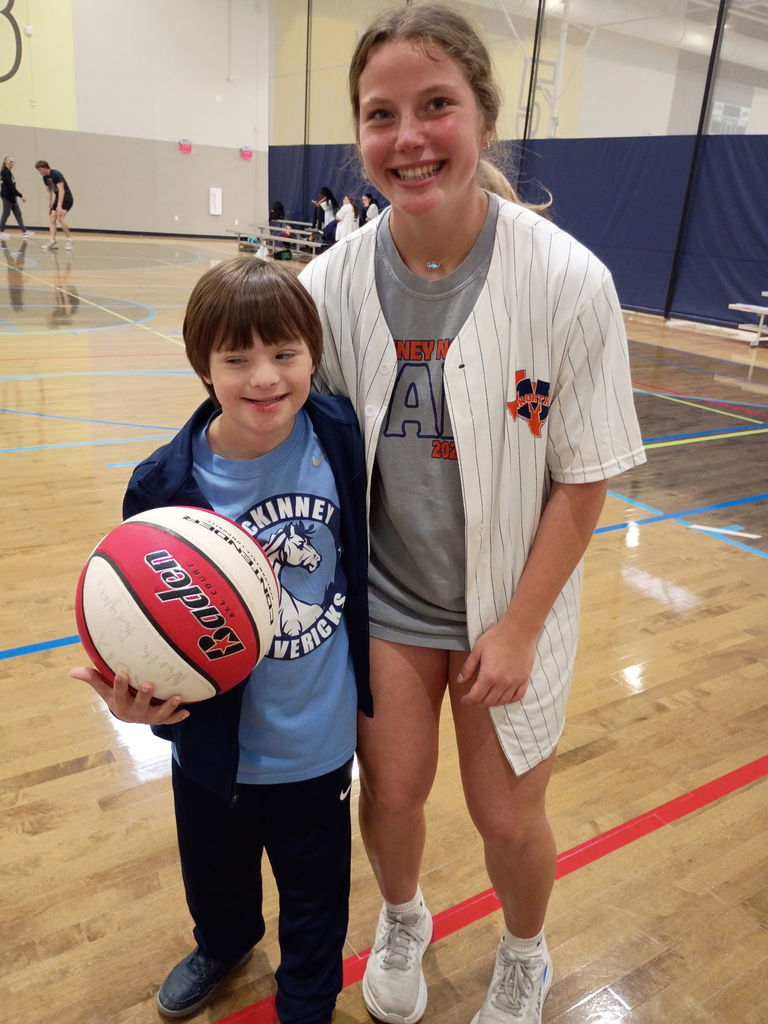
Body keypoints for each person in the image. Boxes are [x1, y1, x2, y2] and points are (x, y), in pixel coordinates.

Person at [299, 5, 646, 1024]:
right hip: (391, 599)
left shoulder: (569, 281)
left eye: (435, 106)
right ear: (359, 135)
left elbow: (585, 474)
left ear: (484, 118)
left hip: (512, 600)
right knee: (392, 793)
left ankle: (526, 953)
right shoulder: (328, 286)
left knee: (506, 816)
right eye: (381, 114)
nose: (408, 137)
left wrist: (521, 624)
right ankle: (403, 916)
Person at [70, 257, 372, 1023]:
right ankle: (224, 943)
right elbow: (138, 624)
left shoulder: (339, 434)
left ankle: (308, 998)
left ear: (313, 355)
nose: (265, 377)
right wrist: (133, 698)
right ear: (203, 367)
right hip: (212, 745)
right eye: (237, 359)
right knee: (215, 872)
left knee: (317, 894)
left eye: (284, 353)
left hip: (318, 741)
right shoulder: (161, 485)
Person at [34, 159, 74, 251]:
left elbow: (61, 191)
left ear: (45, 167)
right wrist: (49, 206)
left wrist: (59, 206)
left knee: (60, 218)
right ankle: (52, 241)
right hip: (58, 198)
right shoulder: (45, 178)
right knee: (52, 218)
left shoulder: (56, 174)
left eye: (40, 170)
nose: (39, 172)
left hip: (66, 198)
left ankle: (69, 240)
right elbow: (49, 192)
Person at [0, 156, 34, 240]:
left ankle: (25, 232)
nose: (12, 163)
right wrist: (20, 195)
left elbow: (11, 186)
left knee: (18, 214)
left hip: (12, 196)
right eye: (11, 161)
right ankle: (1, 231)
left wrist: (15, 196)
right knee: (6, 213)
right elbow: (10, 186)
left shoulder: (8, 172)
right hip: (7, 197)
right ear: (6, 162)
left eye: (13, 162)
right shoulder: (5, 172)